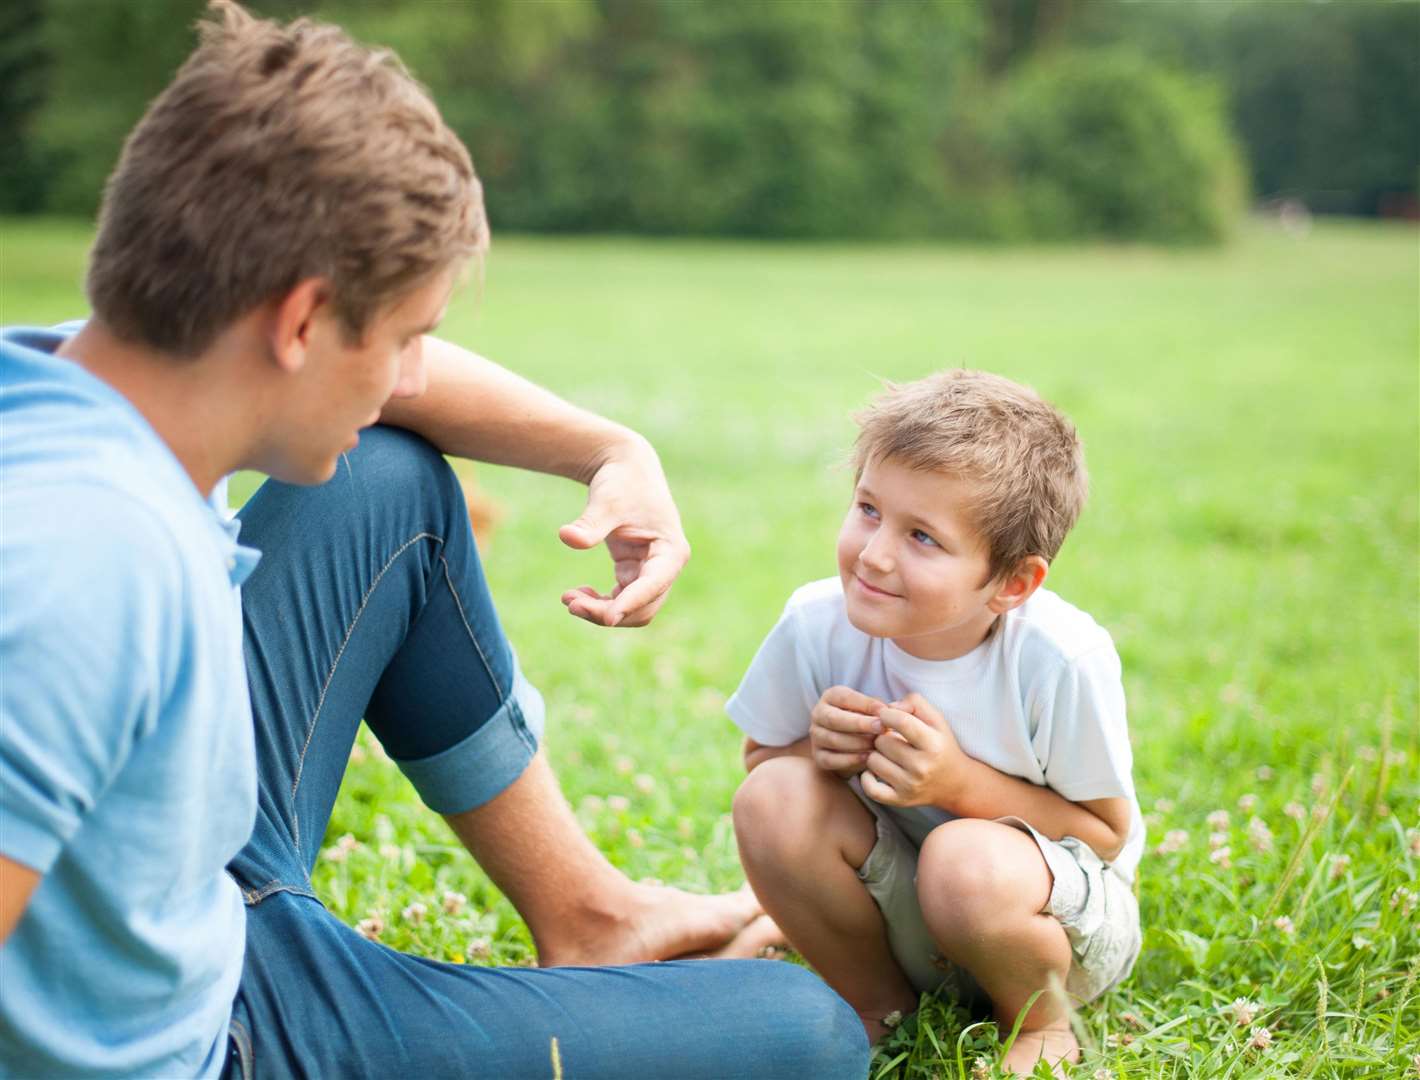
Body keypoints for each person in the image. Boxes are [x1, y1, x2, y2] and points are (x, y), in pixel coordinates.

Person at [0, 3, 869, 1077]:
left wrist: (610, 448)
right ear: (302, 322)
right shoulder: (82, 570)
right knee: (805, 1038)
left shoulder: (59, 382)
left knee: (385, 474)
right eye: (408, 337)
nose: (414, 377)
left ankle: (594, 914)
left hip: (182, 892)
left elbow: (401, 408)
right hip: (207, 1039)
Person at [728, 371, 1143, 1076]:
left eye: (922, 536)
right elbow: (762, 762)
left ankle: (1041, 1027)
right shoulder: (816, 623)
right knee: (772, 799)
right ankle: (878, 1004)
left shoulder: (1060, 660)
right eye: (868, 509)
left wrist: (958, 782)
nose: (875, 553)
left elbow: (1105, 834)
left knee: (964, 861)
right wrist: (814, 749)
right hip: (910, 913)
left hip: (1053, 931)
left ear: (1012, 583)